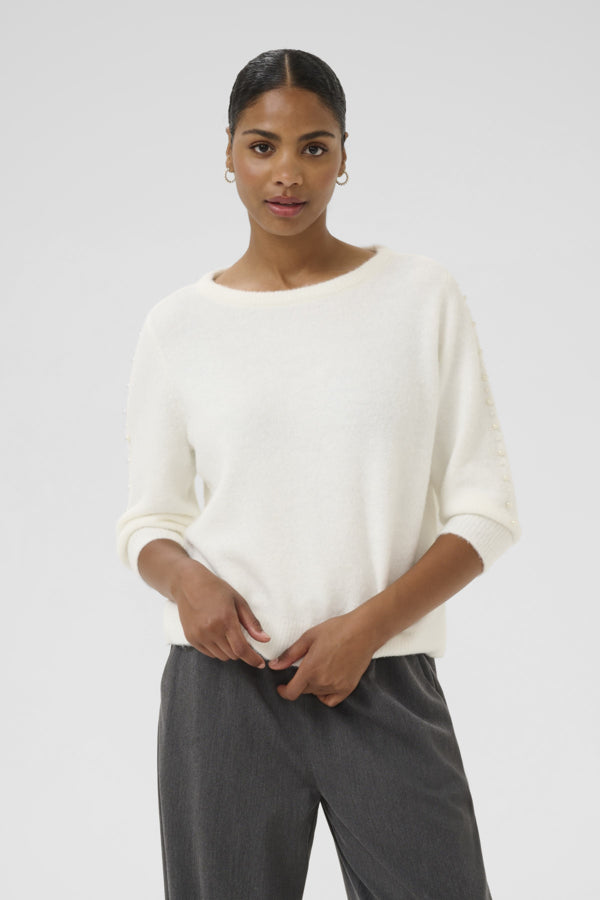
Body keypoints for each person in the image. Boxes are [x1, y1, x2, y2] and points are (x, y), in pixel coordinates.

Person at [115, 47, 521, 900]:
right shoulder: (178, 327)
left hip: (383, 676)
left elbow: (484, 512)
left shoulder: (421, 297)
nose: (287, 173)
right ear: (229, 154)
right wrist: (186, 581)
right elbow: (149, 521)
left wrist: (366, 630)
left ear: (343, 156)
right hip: (222, 694)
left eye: (314, 146)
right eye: (262, 146)